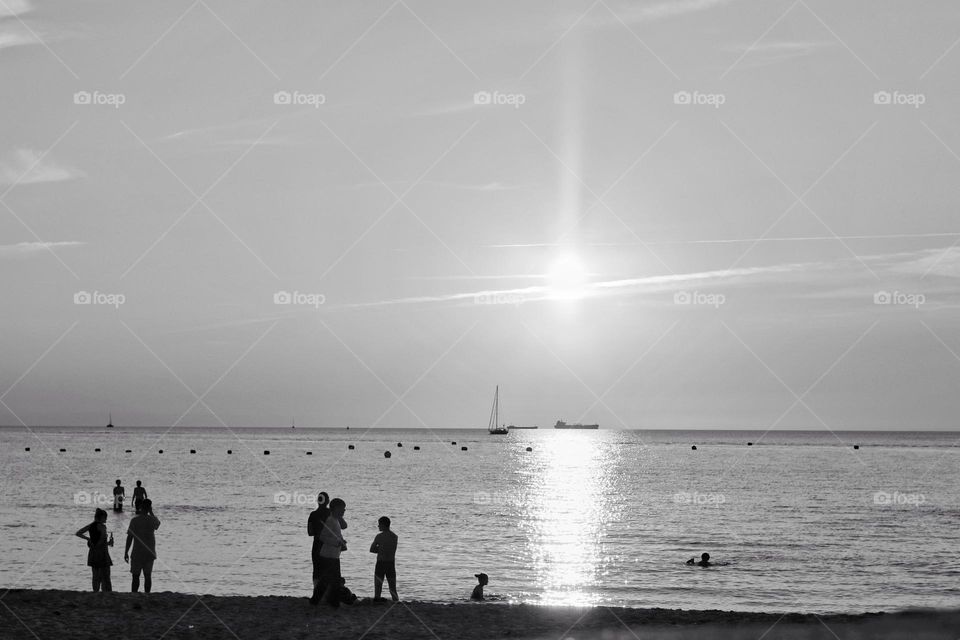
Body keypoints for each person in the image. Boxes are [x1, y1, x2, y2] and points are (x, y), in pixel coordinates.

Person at [313, 498, 348, 607]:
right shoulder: (330, 520)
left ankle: (317, 601)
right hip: (328, 556)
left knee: (328, 580)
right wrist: (336, 542)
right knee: (332, 580)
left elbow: (339, 532)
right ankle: (332, 603)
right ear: (335, 509)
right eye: (342, 509)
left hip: (334, 555)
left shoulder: (336, 520)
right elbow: (322, 537)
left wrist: (341, 541)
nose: (344, 511)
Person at [125, 499, 161, 593]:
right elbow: (158, 524)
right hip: (149, 552)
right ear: (149, 507)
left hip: (137, 552)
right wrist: (151, 512)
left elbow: (130, 537)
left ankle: (134, 594)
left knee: (135, 576)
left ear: (141, 507)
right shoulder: (152, 520)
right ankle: (147, 595)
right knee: (147, 575)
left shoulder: (135, 520)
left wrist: (126, 552)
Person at [76, 508, 113, 592]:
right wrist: (108, 543)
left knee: (95, 575)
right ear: (101, 517)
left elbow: (78, 533)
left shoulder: (91, 526)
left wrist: (88, 539)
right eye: (105, 517)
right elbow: (102, 539)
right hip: (102, 553)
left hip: (93, 552)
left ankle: (95, 591)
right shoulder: (102, 527)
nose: (106, 519)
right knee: (105, 575)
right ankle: (106, 592)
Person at [369, 516, 399, 602]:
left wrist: (380, 549)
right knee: (392, 588)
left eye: (379, 524)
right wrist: (382, 549)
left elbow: (372, 549)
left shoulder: (379, 536)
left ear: (383, 525)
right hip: (390, 563)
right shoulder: (394, 536)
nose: (378, 526)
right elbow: (391, 550)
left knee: (378, 587)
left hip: (381, 563)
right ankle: (396, 602)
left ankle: (377, 601)